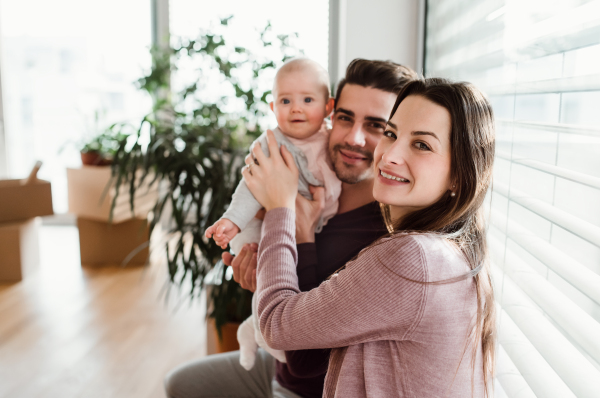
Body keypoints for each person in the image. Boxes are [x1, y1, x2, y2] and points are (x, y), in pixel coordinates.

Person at [164, 59, 417, 398]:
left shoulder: (383, 237)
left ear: (394, 135)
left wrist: (297, 229)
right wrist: (264, 273)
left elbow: (303, 357)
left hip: (310, 387)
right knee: (180, 382)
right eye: (344, 118)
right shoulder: (302, 170)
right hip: (274, 362)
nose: (354, 138)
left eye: (375, 126)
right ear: (330, 113)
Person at [242, 78, 496, 397]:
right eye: (391, 134)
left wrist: (280, 205)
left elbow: (277, 325)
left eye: (422, 145)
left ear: (459, 175)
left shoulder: (413, 257)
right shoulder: (446, 250)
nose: (388, 155)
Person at [205, 57, 341, 371]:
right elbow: (250, 187)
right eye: (285, 100)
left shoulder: (333, 141)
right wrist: (233, 221)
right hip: (266, 224)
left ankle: (256, 328)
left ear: (328, 106)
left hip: (312, 227)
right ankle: (259, 327)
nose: (296, 108)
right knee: (262, 264)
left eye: (307, 100)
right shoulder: (271, 143)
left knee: (287, 278)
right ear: (272, 107)